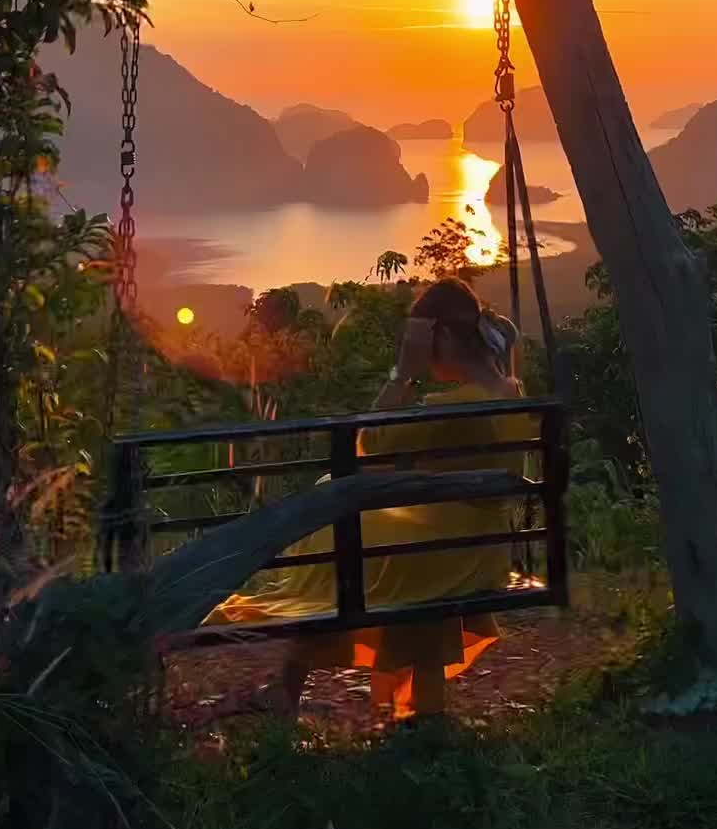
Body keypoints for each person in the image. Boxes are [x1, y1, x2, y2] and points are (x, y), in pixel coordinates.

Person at [202, 277, 538, 723]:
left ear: (438, 337)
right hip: (478, 549)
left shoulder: (453, 408)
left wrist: (403, 371)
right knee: (346, 525)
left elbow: (368, 441)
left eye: (415, 338)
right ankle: (402, 707)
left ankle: (295, 686)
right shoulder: (509, 393)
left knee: (337, 527)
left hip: (442, 554)